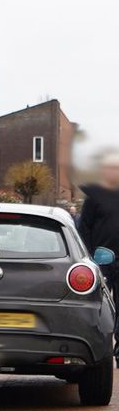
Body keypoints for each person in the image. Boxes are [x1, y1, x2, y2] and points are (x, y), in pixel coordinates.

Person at [77, 152, 119, 364]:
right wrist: (89, 256)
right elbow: (84, 228)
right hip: (100, 261)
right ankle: (100, 350)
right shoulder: (94, 196)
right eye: (111, 168)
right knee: (100, 307)